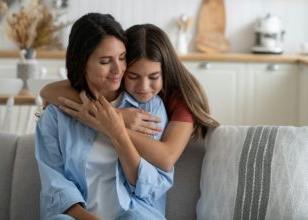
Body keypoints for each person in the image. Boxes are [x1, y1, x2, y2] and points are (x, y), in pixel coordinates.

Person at [35, 13, 173, 220]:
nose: (118, 69)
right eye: (105, 61)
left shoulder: (149, 108)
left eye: (122, 57)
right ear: (83, 63)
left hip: (135, 214)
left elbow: (153, 187)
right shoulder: (55, 116)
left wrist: (116, 131)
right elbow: (55, 187)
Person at [41, 23, 219, 173]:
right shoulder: (116, 80)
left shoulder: (180, 97)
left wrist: (107, 123)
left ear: (166, 71)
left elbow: (167, 158)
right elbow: (48, 91)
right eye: (133, 77)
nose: (143, 87)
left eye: (154, 77)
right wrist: (116, 114)